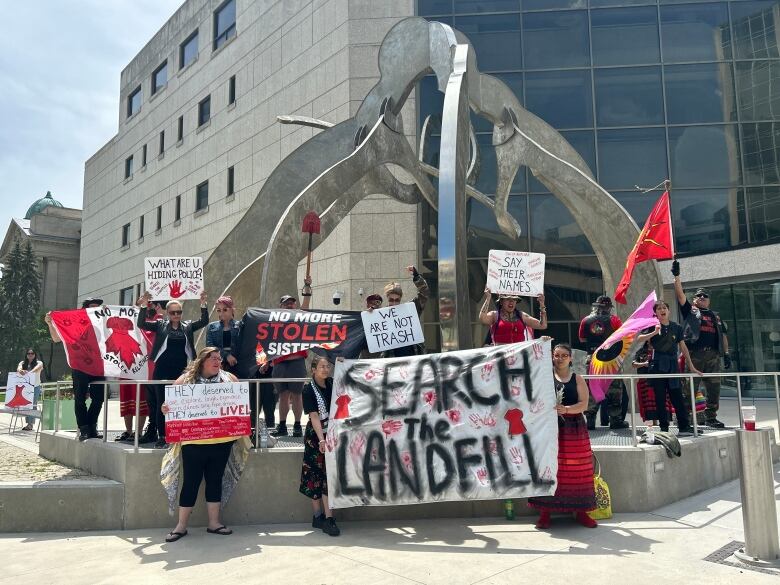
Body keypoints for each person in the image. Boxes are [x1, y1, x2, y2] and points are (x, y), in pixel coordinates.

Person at [160, 347, 250, 542]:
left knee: (214, 481)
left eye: (219, 358)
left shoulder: (230, 379)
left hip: (221, 441)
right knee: (191, 482)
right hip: (193, 442)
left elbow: (242, 401)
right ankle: (181, 526)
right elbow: (168, 404)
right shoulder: (186, 380)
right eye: (213, 359)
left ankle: (214, 522)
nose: (218, 362)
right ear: (202, 361)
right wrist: (165, 408)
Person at [528, 343, 597, 529]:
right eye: (556, 355)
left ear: (570, 358)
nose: (559, 359)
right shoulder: (545, 377)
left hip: (574, 429)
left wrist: (566, 409)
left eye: (563, 355)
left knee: (578, 469)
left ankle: (582, 511)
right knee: (549, 467)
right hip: (550, 429)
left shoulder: (578, 379)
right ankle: (545, 512)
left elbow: (584, 405)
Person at [136, 291, 209, 449]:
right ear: (167, 313)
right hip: (162, 370)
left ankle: (179, 432)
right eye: (173, 312)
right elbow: (141, 324)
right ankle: (162, 436)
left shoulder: (187, 326)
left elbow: (204, 321)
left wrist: (203, 303)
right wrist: (143, 305)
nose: (176, 315)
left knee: (180, 403)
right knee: (162, 404)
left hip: (180, 370)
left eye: (179, 312)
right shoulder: (160, 325)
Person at [672, 261, 730, 428]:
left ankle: (711, 417)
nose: (702, 298)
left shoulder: (715, 316)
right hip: (694, 354)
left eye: (705, 296)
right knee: (689, 386)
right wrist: (676, 276)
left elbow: (723, 336)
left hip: (713, 355)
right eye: (699, 296)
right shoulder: (690, 311)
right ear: (694, 299)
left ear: (709, 301)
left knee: (714, 388)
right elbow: (680, 295)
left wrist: (726, 354)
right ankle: (685, 418)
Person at [636, 301, 703, 435]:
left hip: (672, 365)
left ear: (668, 310)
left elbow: (683, 347)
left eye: (664, 308)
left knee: (677, 396)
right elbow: (639, 338)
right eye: (659, 308)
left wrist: (691, 366)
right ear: (656, 313)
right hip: (657, 365)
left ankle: (684, 426)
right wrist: (653, 333)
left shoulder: (676, 327)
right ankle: (664, 428)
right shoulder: (652, 326)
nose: (662, 310)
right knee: (660, 398)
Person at [45, 297, 106, 442]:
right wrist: (50, 323)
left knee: (99, 399)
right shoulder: (74, 322)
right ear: (84, 309)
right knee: (80, 399)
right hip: (79, 366)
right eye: (92, 307)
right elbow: (56, 339)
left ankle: (91, 426)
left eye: (98, 308)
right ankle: (84, 428)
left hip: (99, 366)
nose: (95, 310)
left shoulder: (104, 322)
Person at [299, 354, 340, 536]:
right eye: (322, 367)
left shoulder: (331, 383)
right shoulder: (308, 389)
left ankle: (328, 516)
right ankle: (319, 516)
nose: (326, 369)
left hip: (332, 432)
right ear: (313, 369)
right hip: (316, 436)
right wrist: (321, 439)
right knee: (315, 473)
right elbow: (314, 416)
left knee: (327, 475)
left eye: (327, 366)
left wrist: (343, 363)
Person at [579, 296, 629, 431]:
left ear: (595, 306)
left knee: (592, 388)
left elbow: (582, 339)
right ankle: (615, 420)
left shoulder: (586, 320)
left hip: (593, 358)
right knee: (614, 390)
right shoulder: (614, 320)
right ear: (609, 307)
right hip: (611, 358)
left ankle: (590, 420)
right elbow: (622, 336)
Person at [116, 301, 163, 442]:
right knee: (127, 396)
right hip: (127, 364)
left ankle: (140, 431)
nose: (147, 307)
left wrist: (159, 313)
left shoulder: (156, 320)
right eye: (143, 305)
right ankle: (128, 431)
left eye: (150, 305)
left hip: (145, 367)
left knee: (143, 398)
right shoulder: (128, 318)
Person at [271, 276, 312, 438]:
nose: (290, 305)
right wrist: (265, 361)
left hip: (296, 362)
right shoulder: (273, 321)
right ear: (280, 306)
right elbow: (267, 342)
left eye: (292, 302)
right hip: (280, 364)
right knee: (282, 396)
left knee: (297, 395)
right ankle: (281, 425)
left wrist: (307, 287)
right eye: (286, 303)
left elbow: (306, 306)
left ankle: (296, 425)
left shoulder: (299, 318)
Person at [371, 265, 429, 358]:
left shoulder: (410, 310)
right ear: (387, 299)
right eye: (391, 300)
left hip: (413, 359)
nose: (394, 303)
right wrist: (371, 314)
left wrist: (416, 276)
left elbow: (424, 293)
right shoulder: (381, 315)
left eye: (397, 300)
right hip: (392, 362)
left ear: (400, 299)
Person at [478, 289, 547, 343]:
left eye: (514, 299)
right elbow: (482, 318)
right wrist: (488, 298)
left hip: (518, 359)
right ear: (501, 302)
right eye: (508, 299)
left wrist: (542, 304)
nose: (511, 302)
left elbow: (542, 325)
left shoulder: (522, 315)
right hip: (502, 358)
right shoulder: (494, 315)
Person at [206, 296, 241, 375]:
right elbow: (210, 347)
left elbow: (243, 345)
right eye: (218, 310)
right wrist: (226, 355)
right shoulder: (211, 327)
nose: (221, 313)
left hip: (237, 364)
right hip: (218, 365)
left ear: (232, 309)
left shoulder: (240, 326)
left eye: (225, 309)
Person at [17, 348, 44, 431]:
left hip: (35, 386)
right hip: (26, 387)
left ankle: (30, 424)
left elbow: (37, 368)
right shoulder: (22, 363)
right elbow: (18, 369)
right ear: (26, 355)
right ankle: (28, 423)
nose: (30, 355)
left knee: (33, 404)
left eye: (32, 353)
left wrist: (29, 372)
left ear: (35, 355)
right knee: (26, 404)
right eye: (28, 353)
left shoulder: (39, 362)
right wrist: (21, 371)